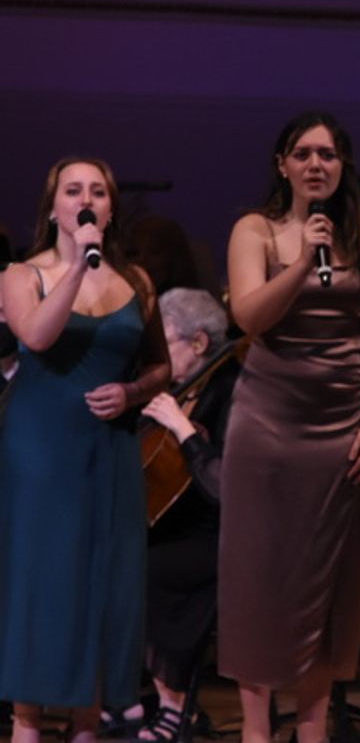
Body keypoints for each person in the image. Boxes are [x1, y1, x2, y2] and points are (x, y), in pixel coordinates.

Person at [220, 111, 360, 743]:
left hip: (340, 429)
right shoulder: (255, 229)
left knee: (328, 582)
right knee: (258, 577)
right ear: (283, 164)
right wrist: (300, 265)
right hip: (266, 429)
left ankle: (313, 729)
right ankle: (258, 729)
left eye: (328, 154)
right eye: (303, 153)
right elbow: (249, 318)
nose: (316, 164)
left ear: (342, 165)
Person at [0, 157, 170, 743]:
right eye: (73, 190)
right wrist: (77, 265)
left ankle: (87, 726)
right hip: (42, 454)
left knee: (103, 585)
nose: (85, 198)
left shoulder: (137, 283)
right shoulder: (22, 275)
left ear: (111, 206)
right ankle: (26, 724)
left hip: (110, 450)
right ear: (53, 208)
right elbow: (39, 336)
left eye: (97, 190)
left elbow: (161, 368)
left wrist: (131, 392)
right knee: (42, 583)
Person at [126, 288, 239, 743]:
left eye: (165, 343)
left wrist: (184, 429)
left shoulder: (233, 389)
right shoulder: (179, 387)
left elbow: (224, 488)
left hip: (224, 536)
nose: (156, 357)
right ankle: (124, 697)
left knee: (147, 569)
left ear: (198, 343)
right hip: (179, 529)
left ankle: (175, 707)